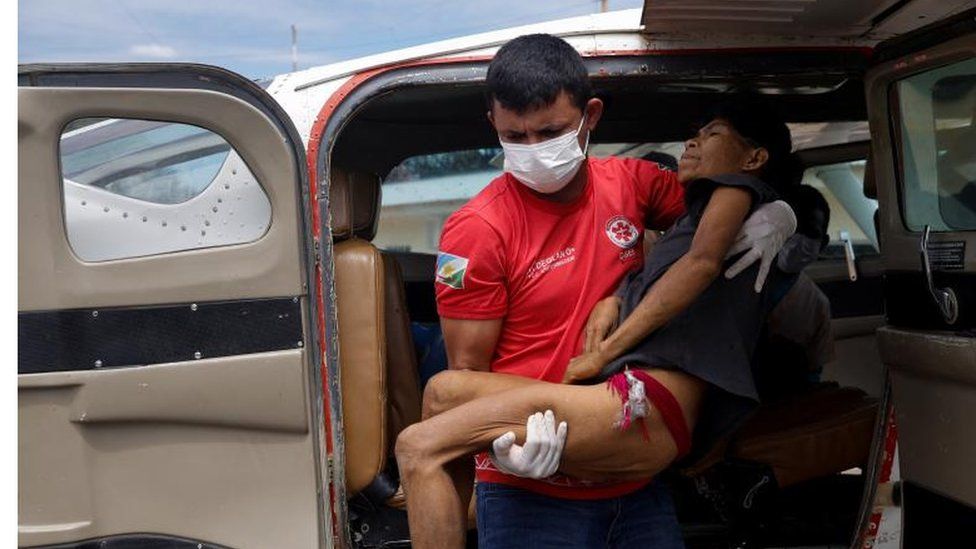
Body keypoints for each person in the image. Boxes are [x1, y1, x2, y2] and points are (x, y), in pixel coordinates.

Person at [395, 35, 796, 549]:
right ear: (492, 122)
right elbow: (469, 372)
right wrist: (497, 450)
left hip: (631, 480)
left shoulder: (636, 184)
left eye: (551, 131)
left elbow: (712, 214)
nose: (536, 149)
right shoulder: (475, 231)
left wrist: (778, 213)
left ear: (591, 116)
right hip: (528, 485)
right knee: (443, 395)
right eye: (517, 136)